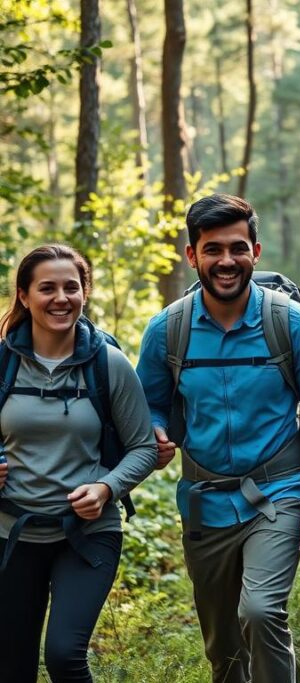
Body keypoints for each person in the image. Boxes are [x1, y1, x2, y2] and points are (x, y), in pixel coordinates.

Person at [136, 194, 300, 683]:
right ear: (193, 255)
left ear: (256, 250)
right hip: (204, 501)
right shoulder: (169, 330)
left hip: (279, 492)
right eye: (212, 249)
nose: (225, 261)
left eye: (237, 248)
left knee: (260, 610)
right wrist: (156, 432)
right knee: (223, 643)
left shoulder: (290, 323)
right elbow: (149, 403)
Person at [0, 244, 157, 683]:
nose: (61, 298)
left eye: (71, 287)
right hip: (10, 533)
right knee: (11, 667)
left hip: (87, 535)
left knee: (65, 655)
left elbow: (143, 447)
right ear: (25, 296)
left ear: (84, 293)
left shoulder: (108, 364)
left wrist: (107, 488)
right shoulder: (2, 363)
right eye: (47, 288)